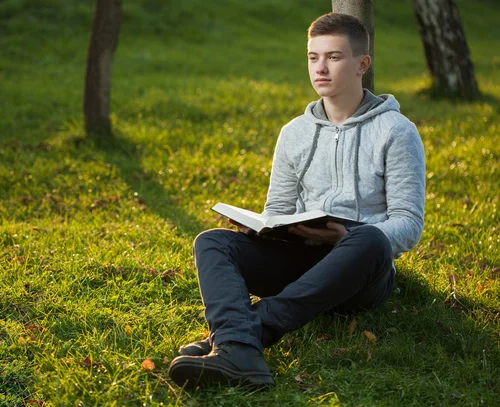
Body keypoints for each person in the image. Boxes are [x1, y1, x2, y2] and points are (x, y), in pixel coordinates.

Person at [168, 12, 426, 389]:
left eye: (334, 57)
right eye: (313, 57)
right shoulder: (294, 133)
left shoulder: (396, 132)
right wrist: (264, 229)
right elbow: (278, 210)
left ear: (362, 64)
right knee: (212, 241)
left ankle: (240, 338)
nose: (320, 68)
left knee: (370, 238)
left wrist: (344, 238)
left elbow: (408, 223)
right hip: (300, 257)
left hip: (361, 269)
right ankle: (238, 348)